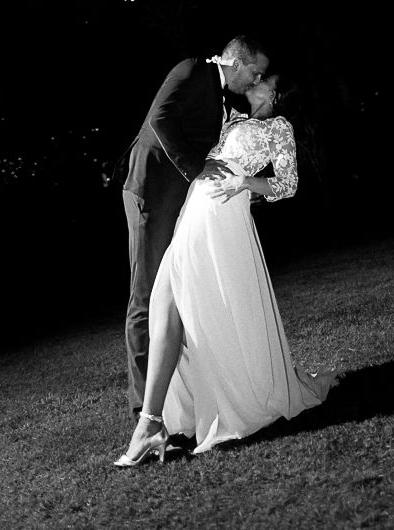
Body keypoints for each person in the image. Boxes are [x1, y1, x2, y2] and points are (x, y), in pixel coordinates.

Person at [114, 73, 342, 465]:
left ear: (273, 92)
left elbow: (287, 185)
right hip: (194, 209)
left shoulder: (278, 127)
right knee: (166, 303)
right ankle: (154, 420)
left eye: (261, 79)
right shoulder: (232, 118)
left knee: (171, 301)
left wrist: (246, 182)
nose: (253, 80)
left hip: (219, 215)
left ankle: (150, 424)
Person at [122, 35, 269, 416]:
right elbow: (159, 120)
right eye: (255, 72)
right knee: (147, 297)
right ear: (237, 62)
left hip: (180, 203)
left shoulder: (223, 98)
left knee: (179, 293)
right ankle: (146, 411)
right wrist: (196, 170)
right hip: (152, 194)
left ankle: (181, 402)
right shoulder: (191, 70)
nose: (256, 81)